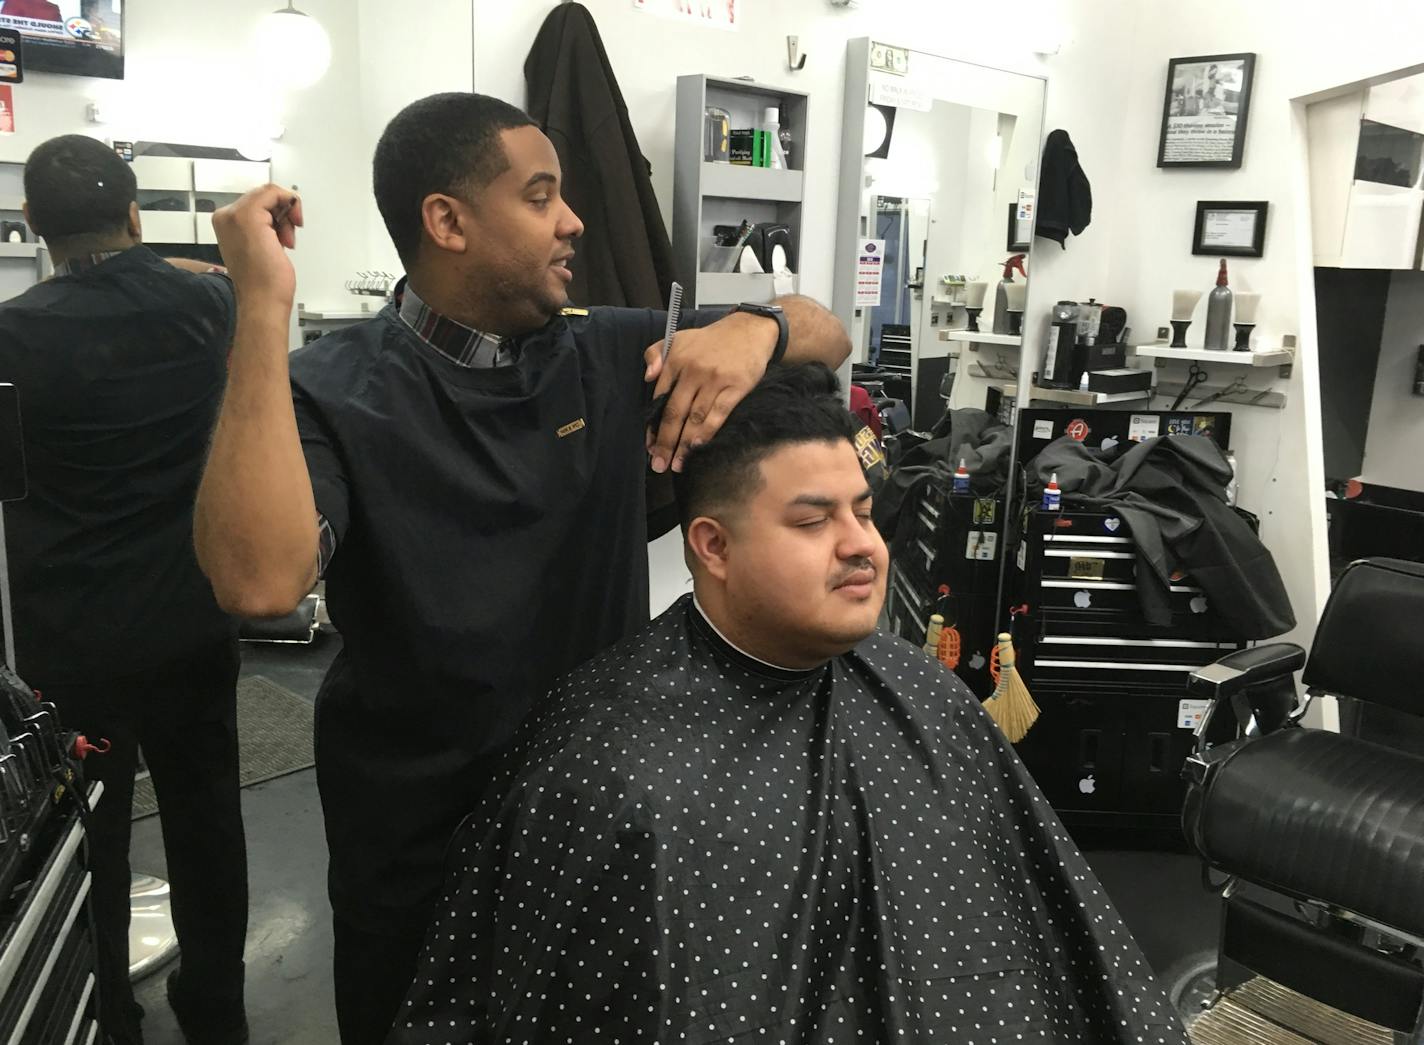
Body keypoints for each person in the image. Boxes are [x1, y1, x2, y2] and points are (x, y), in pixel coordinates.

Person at [195, 92, 850, 1043]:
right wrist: (261, 307)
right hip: (416, 834)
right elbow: (256, 581)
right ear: (447, 222)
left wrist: (758, 328)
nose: (574, 220)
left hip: (595, 819)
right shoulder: (335, 390)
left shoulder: (609, 352)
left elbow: (824, 332)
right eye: (541, 197)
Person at [389, 364, 1188, 1045]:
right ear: (714, 546)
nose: (862, 545)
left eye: (865, 511)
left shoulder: (922, 694)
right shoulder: (610, 763)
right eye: (813, 519)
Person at [0, 135, 248, 1045]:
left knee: (91, 833)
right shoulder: (209, 301)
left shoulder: (11, 334)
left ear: (33, 226)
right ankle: (219, 1005)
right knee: (207, 813)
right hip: (193, 608)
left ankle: (113, 1012)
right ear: (137, 212)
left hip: (72, 632)